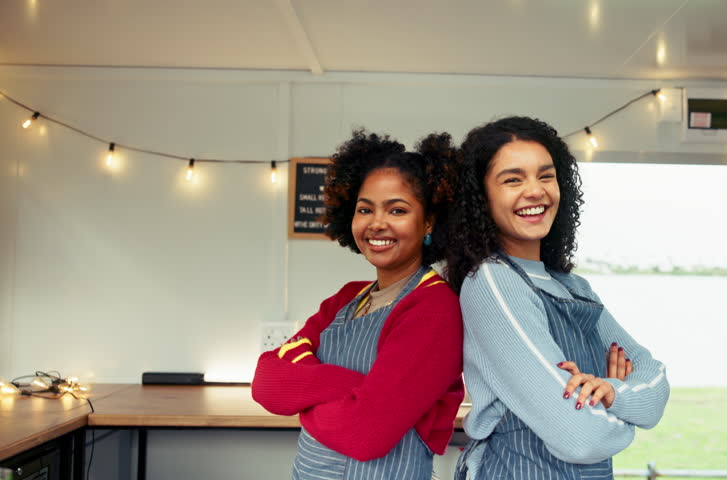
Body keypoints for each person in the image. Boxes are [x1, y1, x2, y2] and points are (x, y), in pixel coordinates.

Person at [447, 116, 670, 479]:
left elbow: (655, 379)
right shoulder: (493, 282)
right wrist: (625, 417)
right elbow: (581, 437)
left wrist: (611, 393)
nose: (535, 191)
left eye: (546, 176)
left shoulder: (573, 287)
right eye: (513, 179)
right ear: (481, 197)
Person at [252, 130, 464, 479]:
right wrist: (356, 391)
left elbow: (365, 434)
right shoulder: (346, 297)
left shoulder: (435, 309)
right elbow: (266, 381)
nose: (376, 223)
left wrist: (304, 397)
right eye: (365, 209)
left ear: (429, 222)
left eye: (397, 210)